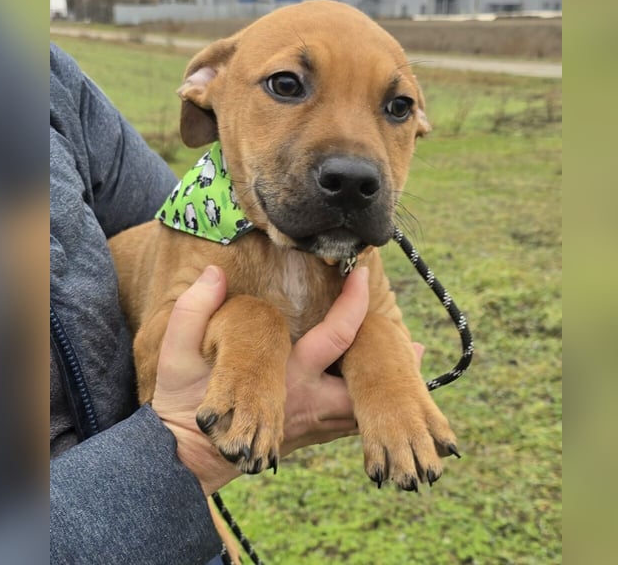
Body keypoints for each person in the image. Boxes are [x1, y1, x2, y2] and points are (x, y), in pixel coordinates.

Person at [49, 44, 383, 564]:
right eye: (287, 85)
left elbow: (174, 224)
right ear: (205, 81)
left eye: (399, 107)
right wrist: (182, 454)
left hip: (177, 525)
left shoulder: (41, 77)